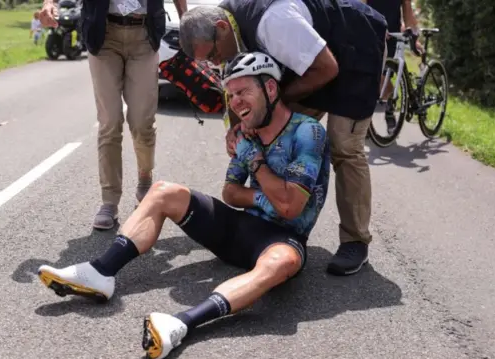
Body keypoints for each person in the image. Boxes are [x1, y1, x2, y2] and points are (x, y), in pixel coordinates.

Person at [36, 52, 331, 359]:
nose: (236, 103)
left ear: (270, 90)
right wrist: (261, 194)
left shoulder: (307, 132)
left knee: (283, 262)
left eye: (244, 92)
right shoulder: (246, 132)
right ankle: (100, 272)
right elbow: (230, 193)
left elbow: (289, 208)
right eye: (231, 95)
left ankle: (180, 324)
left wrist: (255, 163)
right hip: (239, 229)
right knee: (164, 191)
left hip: (281, 240)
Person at [178, 0, 388, 276]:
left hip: (353, 52)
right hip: (309, 60)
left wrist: (273, 102)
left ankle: (355, 241)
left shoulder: (273, 22)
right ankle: (275, 210)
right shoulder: (223, 25)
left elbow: (327, 68)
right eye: (208, 61)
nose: (215, 63)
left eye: (214, 55)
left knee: (344, 147)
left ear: (221, 28)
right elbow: (235, 83)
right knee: (266, 124)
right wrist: (236, 126)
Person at [38, 0, 187, 230]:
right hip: (103, 34)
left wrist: (184, 18)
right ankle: (109, 201)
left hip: (144, 34)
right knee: (110, 121)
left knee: (142, 122)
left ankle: (145, 179)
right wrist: (49, 3)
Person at [364, 0, 424, 134]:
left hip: (391, 36)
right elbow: (361, 8)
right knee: (370, 78)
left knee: (382, 77)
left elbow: (408, 13)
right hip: (370, 33)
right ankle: (366, 121)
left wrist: (415, 38)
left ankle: (389, 109)